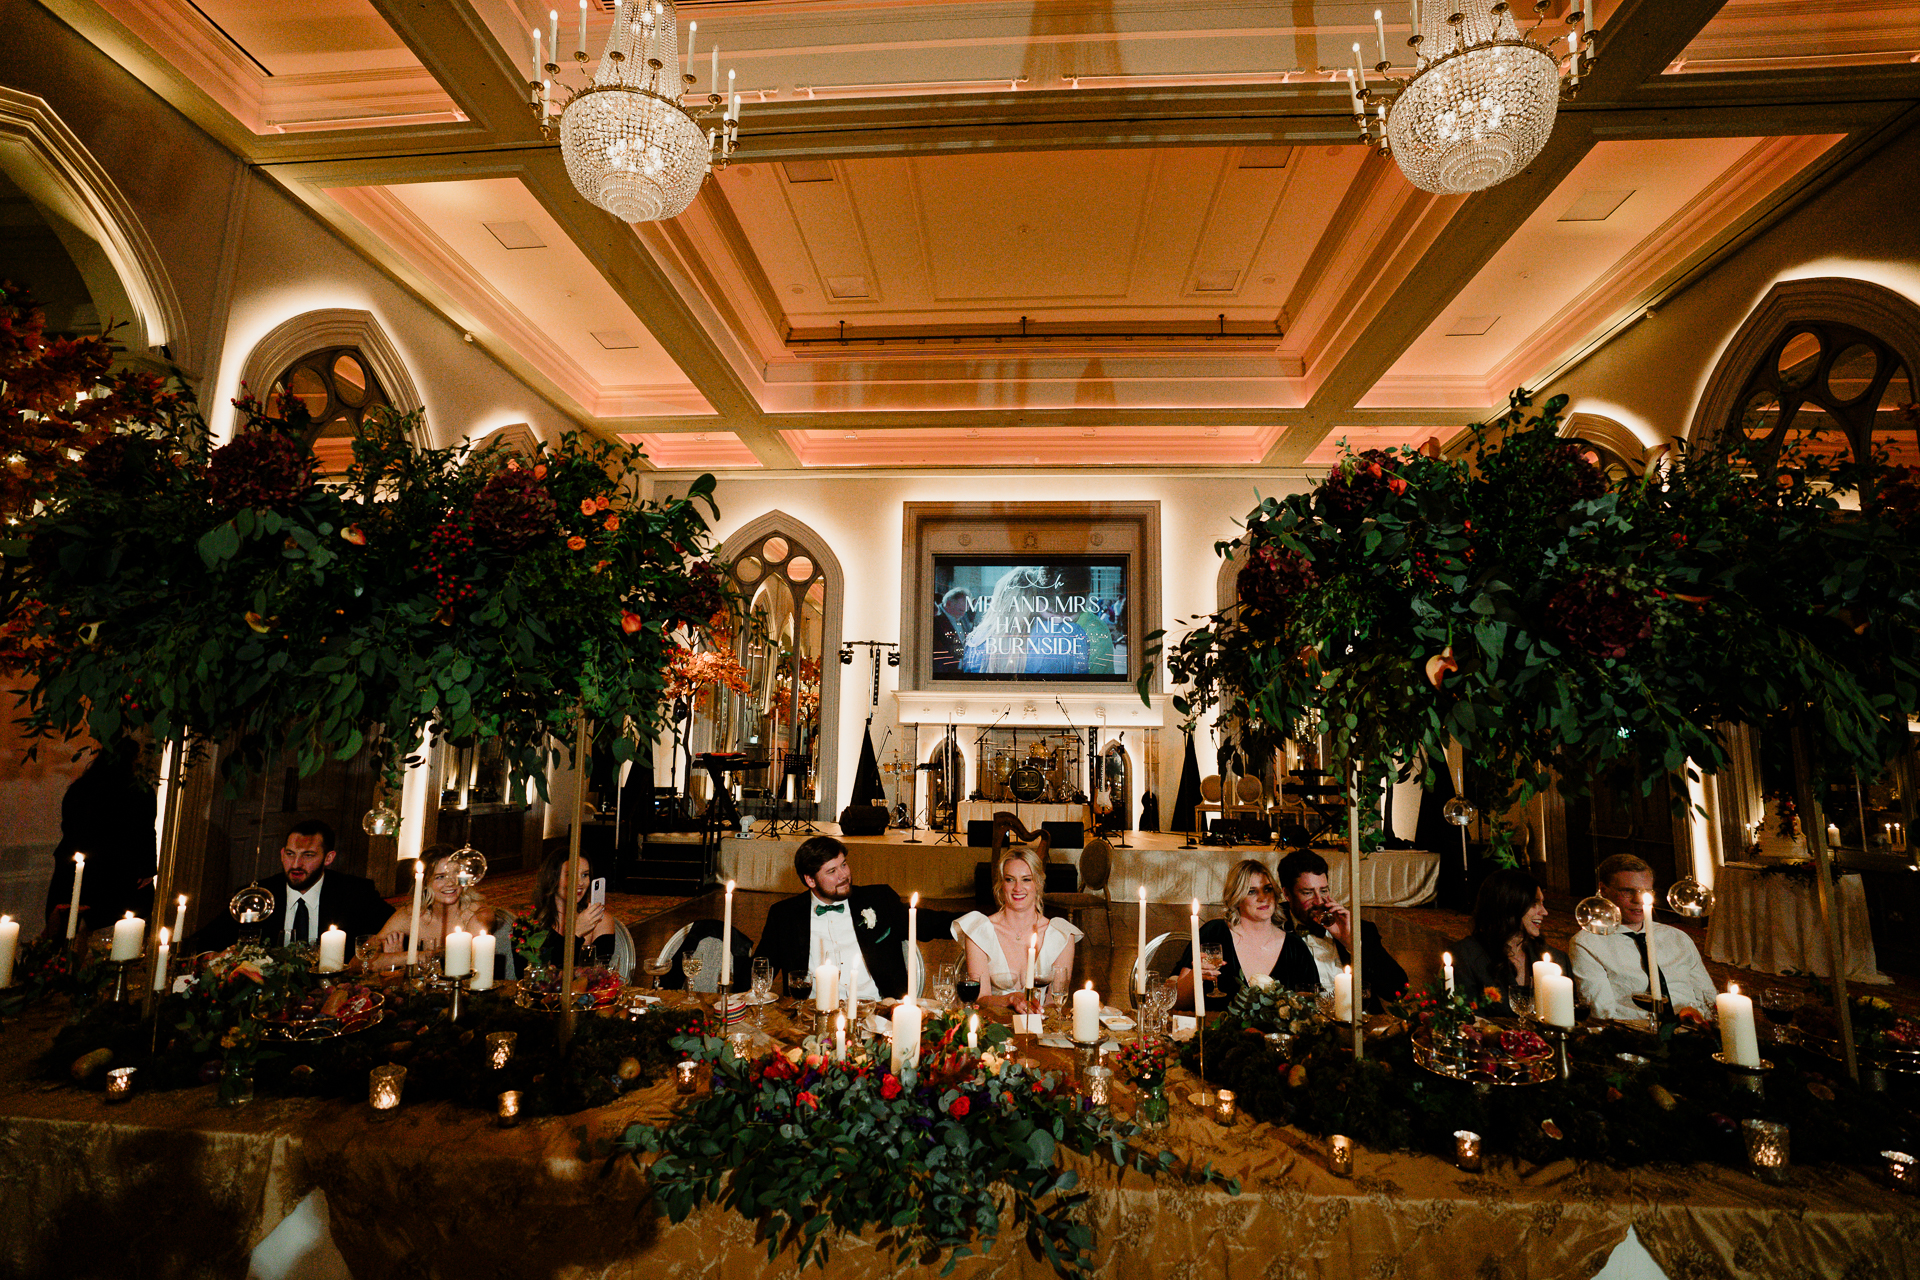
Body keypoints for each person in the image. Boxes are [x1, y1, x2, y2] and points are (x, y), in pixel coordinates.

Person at [754, 835, 956, 1000]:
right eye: (832, 871)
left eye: (844, 865)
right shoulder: (784, 915)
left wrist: (978, 921)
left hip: (878, 1012)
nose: (843, 875)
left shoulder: (878, 900)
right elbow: (759, 971)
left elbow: (929, 922)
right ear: (810, 880)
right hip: (810, 1017)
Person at [190, 819, 392, 952]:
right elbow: (203, 943)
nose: (296, 865)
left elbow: (398, 925)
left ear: (329, 858)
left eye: (308, 855)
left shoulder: (355, 893)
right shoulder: (257, 895)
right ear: (282, 853)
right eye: (290, 854)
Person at [1571, 853, 1717, 1022]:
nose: (1638, 900)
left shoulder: (1676, 937)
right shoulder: (1588, 943)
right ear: (1604, 890)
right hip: (1634, 1032)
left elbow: (1707, 995)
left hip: (1693, 1026)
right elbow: (1601, 1011)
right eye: (1627, 891)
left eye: (1646, 892)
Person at [42, 739, 155, 939]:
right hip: (116, 873)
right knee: (112, 938)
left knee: (64, 934)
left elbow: (68, 826)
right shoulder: (139, 792)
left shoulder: (80, 788)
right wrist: (146, 868)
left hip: (75, 868)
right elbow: (145, 831)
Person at [1270, 847, 1409, 1005]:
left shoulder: (1359, 929)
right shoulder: (1272, 930)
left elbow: (1398, 991)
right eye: (1307, 892)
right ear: (1287, 894)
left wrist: (1353, 944)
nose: (1319, 901)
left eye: (1324, 890)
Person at [952, 846, 1082, 1011]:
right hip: (993, 1027)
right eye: (1010, 879)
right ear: (1001, 884)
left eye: (1026, 879)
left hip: (1041, 1025)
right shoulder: (979, 931)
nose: (1018, 888)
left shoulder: (1062, 935)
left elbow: (1054, 1003)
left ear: (1038, 883)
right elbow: (980, 999)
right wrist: (1010, 999)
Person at [1173, 859, 1288, 1008]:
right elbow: (1178, 1002)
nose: (1263, 898)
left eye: (1267, 889)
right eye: (1251, 891)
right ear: (1237, 898)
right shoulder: (1214, 933)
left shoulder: (1295, 947)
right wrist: (1195, 977)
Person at [368, 845, 499, 971]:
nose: (450, 883)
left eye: (456, 874)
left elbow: (459, 964)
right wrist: (405, 957)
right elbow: (361, 960)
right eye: (440, 877)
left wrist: (395, 958)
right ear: (424, 883)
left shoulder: (479, 916)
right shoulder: (412, 914)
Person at [521, 849, 636, 980]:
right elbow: (535, 977)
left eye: (584, 875)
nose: (580, 882)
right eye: (570, 875)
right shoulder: (527, 925)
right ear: (552, 877)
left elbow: (597, 977)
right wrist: (575, 933)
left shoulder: (599, 921)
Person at [1450, 867, 1550, 1002]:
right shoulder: (1467, 957)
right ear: (1509, 905)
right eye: (1534, 904)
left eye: (1542, 903)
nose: (1544, 912)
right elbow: (1466, 1018)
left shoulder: (1553, 959)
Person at [932, 587, 971, 675]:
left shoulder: (963, 616)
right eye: (961, 610)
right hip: (945, 673)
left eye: (965, 611)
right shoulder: (934, 619)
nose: (963, 614)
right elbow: (937, 653)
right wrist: (959, 663)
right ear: (948, 604)